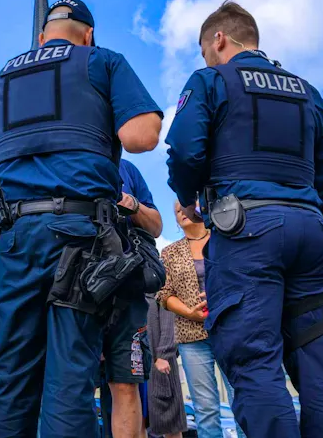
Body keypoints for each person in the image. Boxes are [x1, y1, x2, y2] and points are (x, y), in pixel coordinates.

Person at [0, 0, 163, 437]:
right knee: (70, 377)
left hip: (15, 239)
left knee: (13, 378)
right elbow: (141, 136)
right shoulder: (100, 61)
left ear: (42, 37)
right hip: (79, 239)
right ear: (88, 35)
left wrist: (25, 150)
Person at [165, 1, 323, 437]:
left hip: (248, 230)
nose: (206, 58)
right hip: (311, 230)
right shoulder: (309, 92)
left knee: (253, 356)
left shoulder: (211, 79)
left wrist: (189, 199)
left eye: (204, 49)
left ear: (219, 40)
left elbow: (185, 150)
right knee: (314, 353)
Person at [156, 202, 241, 438]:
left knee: (242, 398)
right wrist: (189, 312)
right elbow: (164, 293)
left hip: (229, 329)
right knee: (205, 409)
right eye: (176, 212)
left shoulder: (224, 240)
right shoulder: (170, 252)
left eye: (184, 207)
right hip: (191, 336)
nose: (181, 213)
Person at [100, 159, 164, 438]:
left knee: (126, 384)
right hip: (74, 291)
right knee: (70, 385)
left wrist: (133, 205)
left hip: (126, 291)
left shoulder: (128, 169)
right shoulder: (66, 155)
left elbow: (157, 226)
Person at [146, 292, 187, 438]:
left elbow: (170, 320)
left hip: (161, 360)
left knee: (170, 419)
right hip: (138, 362)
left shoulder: (159, 280)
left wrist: (164, 354)